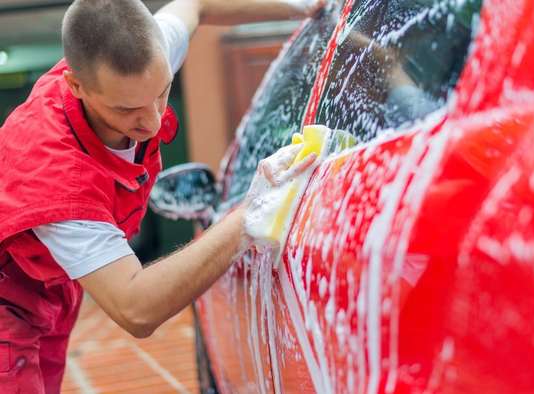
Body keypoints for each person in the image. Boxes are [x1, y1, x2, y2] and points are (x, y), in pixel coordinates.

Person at [0, 0, 323, 392]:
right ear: (76, 87)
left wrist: (308, 6)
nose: (153, 121)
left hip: (46, 288)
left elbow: (197, 5)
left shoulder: (143, 61)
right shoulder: (56, 180)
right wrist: (249, 215)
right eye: (128, 109)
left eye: (163, 93)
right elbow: (136, 307)